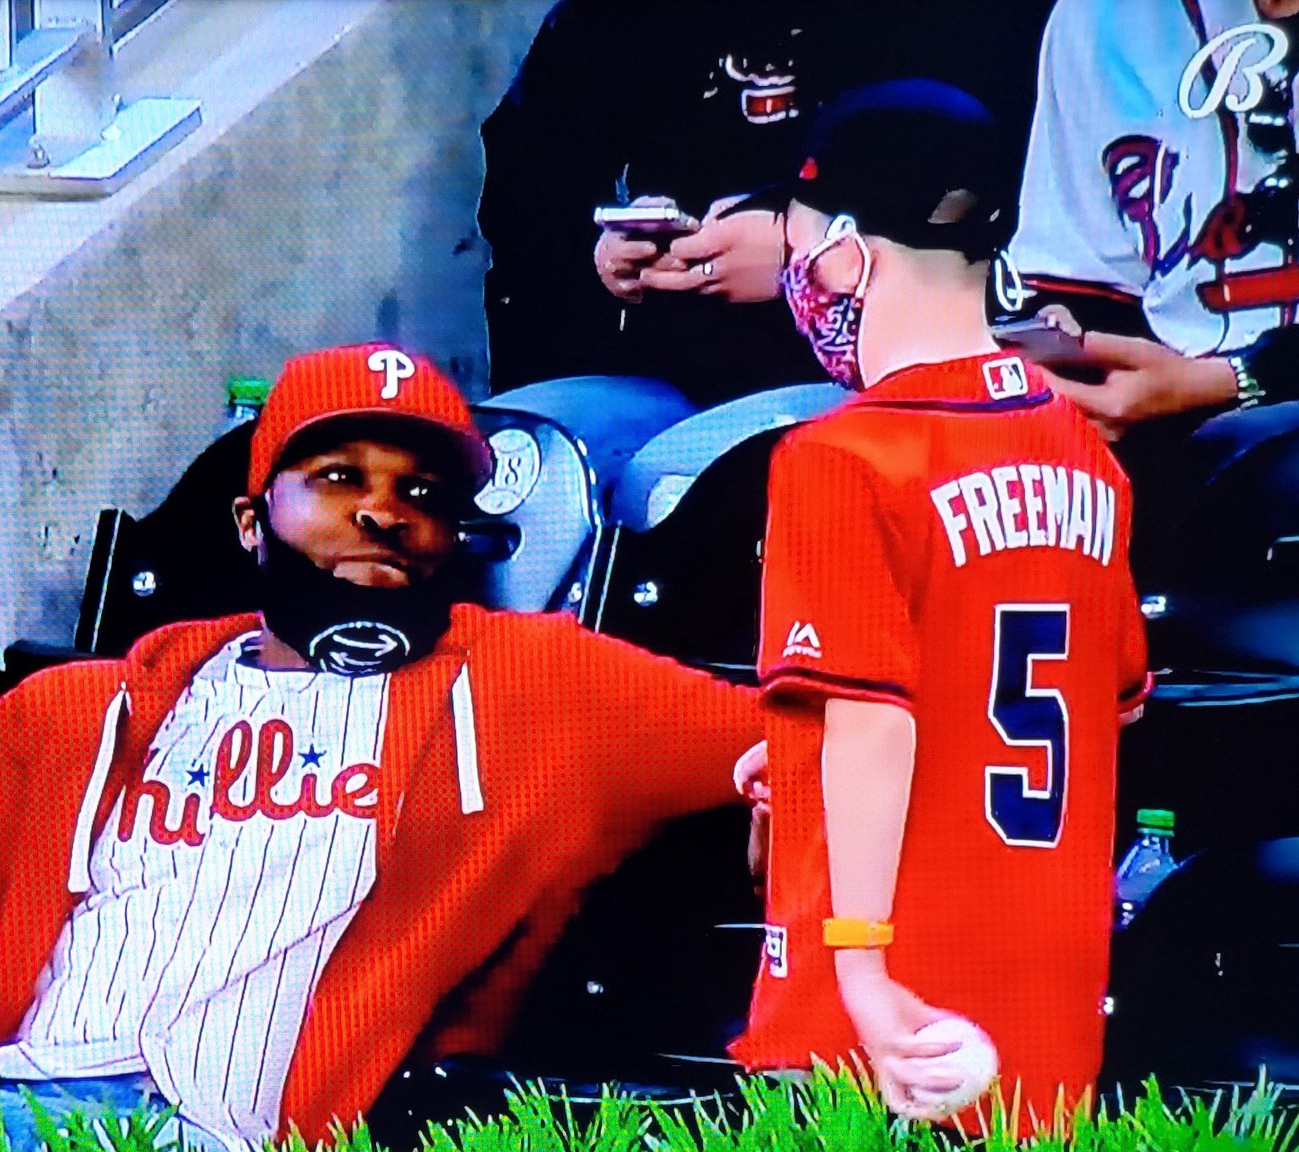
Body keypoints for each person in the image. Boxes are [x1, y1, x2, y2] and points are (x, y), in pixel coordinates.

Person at [0, 344, 765, 1151]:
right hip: (1, 1097)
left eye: (421, 493)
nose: (382, 513)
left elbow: (810, 733)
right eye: (338, 480)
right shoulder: (72, 712)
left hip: (217, 1127)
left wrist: (783, 785)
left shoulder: (537, 686)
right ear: (249, 521)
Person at [725, 84, 1150, 1129]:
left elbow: (874, 722)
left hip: (875, 1012)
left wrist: (862, 971)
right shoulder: (1079, 449)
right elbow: (1088, 707)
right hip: (1042, 1009)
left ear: (843, 250)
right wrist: (792, 762)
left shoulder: (837, 456)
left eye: (795, 237)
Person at [479, 0, 1051, 403]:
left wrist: (809, 246)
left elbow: (1006, 176)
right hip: (670, 396)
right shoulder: (617, 19)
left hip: (905, 387)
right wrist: (604, 256)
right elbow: (529, 183)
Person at [1006, 0, 1299, 437]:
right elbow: (1077, 280)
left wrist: (1236, 380)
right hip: (1174, 439)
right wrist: (1069, 341)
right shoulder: (1102, 15)